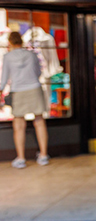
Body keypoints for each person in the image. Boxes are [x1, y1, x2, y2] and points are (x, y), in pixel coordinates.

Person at [0, 31, 49, 169]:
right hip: (34, 88)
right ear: (21, 41)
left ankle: (21, 158)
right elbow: (38, 72)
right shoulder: (31, 55)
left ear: (9, 42)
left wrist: (1, 90)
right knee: (39, 122)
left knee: (19, 125)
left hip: (18, 91)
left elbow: (4, 79)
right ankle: (44, 155)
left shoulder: (8, 57)